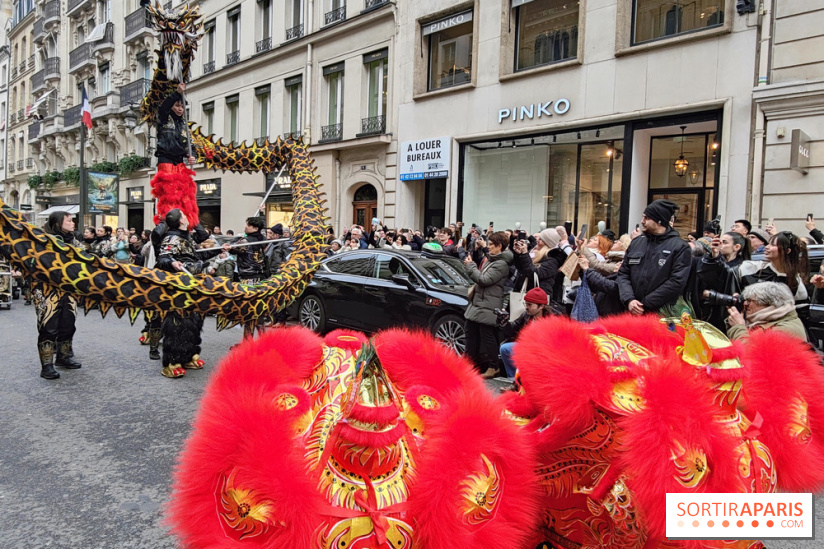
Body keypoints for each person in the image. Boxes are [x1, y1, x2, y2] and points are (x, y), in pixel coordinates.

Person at [156, 209, 229, 378]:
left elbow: (197, 255)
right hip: (180, 287)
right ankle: (171, 362)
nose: (187, 218)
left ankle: (188, 355)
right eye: (184, 216)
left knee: (194, 322)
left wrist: (220, 249)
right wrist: (172, 264)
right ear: (181, 221)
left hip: (194, 284)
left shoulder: (186, 236)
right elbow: (163, 257)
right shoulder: (172, 238)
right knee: (178, 324)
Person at [616, 199, 691, 316]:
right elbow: (623, 274)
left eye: (647, 218)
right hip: (631, 311)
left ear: (659, 221)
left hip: (662, 314)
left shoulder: (680, 247)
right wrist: (629, 299)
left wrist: (645, 304)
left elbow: (676, 282)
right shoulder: (636, 243)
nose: (642, 221)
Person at [33, 211, 83, 379]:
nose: (72, 223)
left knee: (68, 324)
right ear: (58, 222)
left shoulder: (75, 241)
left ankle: (64, 356)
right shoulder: (44, 240)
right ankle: (46, 365)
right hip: (48, 289)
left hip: (70, 289)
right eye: (68, 220)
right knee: (48, 326)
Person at [699, 230, 809, 304]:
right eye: (768, 243)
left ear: (787, 251)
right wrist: (714, 256)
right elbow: (722, 277)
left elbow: (800, 315)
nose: (767, 247)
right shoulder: (749, 267)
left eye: (773, 245)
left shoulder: (795, 282)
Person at [462, 231, 513, 379]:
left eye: (491, 245)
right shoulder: (492, 259)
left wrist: (470, 266)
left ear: (499, 246)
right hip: (479, 303)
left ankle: (493, 366)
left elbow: (484, 280)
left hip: (488, 305)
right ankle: (468, 363)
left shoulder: (502, 264)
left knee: (487, 337)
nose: (488, 247)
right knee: (470, 334)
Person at [150, 81, 199, 229]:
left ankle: (186, 223)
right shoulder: (164, 118)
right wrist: (177, 93)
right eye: (177, 105)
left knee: (185, 194)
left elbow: (190, 145)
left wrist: (192, 155)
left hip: (179, 162)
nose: (180, 109)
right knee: (170, 193)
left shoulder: (184, 125)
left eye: (182, 106)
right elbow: (163, 108)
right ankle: (169, 221)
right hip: (166, 159)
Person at [497, 287, 556, 378]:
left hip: (543, 352)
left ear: (541, 306)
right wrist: (504, 322)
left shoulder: (551, 320)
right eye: (526, 304)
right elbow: (513, 331)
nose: (526, 307)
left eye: (529, 305)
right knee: (505, 349)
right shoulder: (526, 315)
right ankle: (513, 379)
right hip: (526, 347)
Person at [726, 282, 808, 342]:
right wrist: (737, 314)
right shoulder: (772, 320)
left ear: (768, 303)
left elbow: (751, 354)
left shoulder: (784, 329)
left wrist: (738, 326)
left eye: (749, 301)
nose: (745, 304)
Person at [511, 228, 567, 304]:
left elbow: (533, 273)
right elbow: (522, 269)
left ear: (548, 243)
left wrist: (524, 254)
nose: (537, 240)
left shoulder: (553, 261)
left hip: (538, 300)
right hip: (528, 295)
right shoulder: (536, 254)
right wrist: (518, 254)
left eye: (541, 239)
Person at [235, 216, 268, 284]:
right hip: (261, 275)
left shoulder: (245, 241)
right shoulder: (263, 238)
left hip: (248, 276)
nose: (246, 227)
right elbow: (264, 228)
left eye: (249, 225)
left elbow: (232, 249)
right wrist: (261, 214)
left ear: (256, 229)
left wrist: (236, 239)